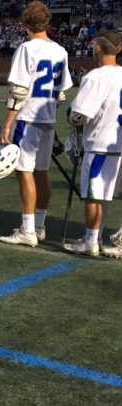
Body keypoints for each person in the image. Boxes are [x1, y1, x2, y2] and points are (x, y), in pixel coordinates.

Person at [0, 1, 73, 247]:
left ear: (25, 23)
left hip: (28, 118)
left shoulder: (26, 49)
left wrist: (7, 125)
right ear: (47, 22)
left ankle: (28, 230)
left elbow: (18, 91)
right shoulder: (60, 50)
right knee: (41, 172)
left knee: (25, 172)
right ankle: (38, 226)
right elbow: (62, 93)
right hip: (48, 117)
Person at [64, 30, 122, 257]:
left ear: (98, 47)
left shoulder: (95, 77)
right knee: (104, 194)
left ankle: (90, 240)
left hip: (100, 142)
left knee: (93, 195)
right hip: (118, 143)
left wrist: (72, 119)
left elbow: (78, 114)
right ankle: (94, 236)